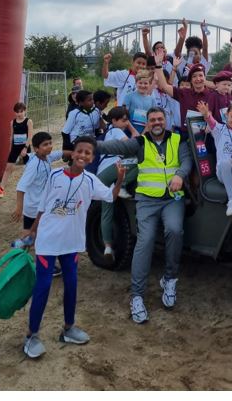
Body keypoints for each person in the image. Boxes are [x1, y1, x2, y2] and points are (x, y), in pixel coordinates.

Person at [21, 136, 122, 358]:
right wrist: (32, 232)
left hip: (72, 243)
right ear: (72, 153)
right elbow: (42, 206)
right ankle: (32, 335)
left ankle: (68, 329)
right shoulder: (55, 175)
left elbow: (110, 197)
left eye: (88, 153)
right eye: (79, 151)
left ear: (92, 157)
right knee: (43, 286)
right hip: (48, 242)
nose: (83, 155)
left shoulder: (91, 181)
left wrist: (120, 178)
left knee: (72, 284)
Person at [94, 107, 193, 324]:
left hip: (172, 198)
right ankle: (137, 296)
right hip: (147, 200)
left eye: (160, 119)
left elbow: (186, 161)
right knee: (145, 241)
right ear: (147, 123)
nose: (156, 123)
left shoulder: (178, 139)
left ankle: (169, 279)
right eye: (152, 120)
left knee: (175, 230)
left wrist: (179, 175)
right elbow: (117, 145)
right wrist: (92, 145)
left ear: (165, 121)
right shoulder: (140, 142)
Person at [97, 107, 139, 264]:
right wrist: (135, 129)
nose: (126, 122)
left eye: (127, 119)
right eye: (123, 119)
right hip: (113, 168)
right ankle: (122, 185)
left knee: (106, 211)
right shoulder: (116, 131)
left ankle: (107, 247)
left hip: (103, 174)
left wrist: (129, 126)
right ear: (114, 121)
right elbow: (132, 145)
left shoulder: (110, 131)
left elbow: (133, 137)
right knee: (142, 163)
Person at [198, 100, 232, 216]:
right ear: (227, 114)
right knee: (225, 163)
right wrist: (206, 114)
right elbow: (210, 121)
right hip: (224, 173)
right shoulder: (219, 129)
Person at [0, 103, 33, 195]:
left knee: (29, 168)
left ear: (25, 111)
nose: (19, 114)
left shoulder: (28, 121)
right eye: (17, 112)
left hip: (25, 147)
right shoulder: (12, 122)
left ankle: (29, 187)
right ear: (15, 113)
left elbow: (30, 136)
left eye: (21, 111)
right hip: (15, 147)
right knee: (8, 167)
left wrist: (25, 148)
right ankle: (1, 188)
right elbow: (12, 136)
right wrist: (11, 149)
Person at [122, 70, 158, 136]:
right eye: (140, 83)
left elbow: (152, 118)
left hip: (146, 132)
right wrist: (133, 131)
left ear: (149, 84)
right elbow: (124, 116)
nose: (143, 85)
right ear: (136, 83)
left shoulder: (152, 99)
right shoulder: (129, 96)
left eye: (145, 83)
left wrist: (143, 133)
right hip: (130, 132)